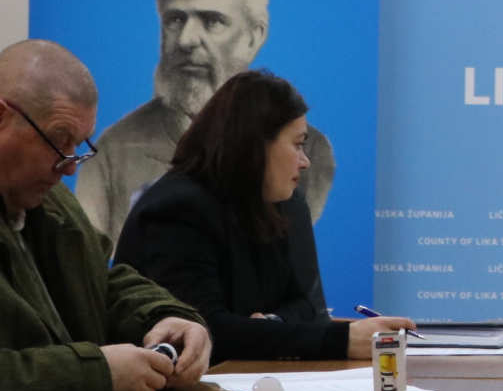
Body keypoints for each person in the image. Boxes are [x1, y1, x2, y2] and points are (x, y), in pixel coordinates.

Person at [0, 41, 210, 391]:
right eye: (59, 142)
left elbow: (101, 281)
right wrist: (98, 376)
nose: (70, 168)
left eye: (79, 146)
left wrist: (167, 317)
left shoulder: (39, 193)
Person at [115, 71, 412, 361]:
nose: (305, 161)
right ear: (255, 145)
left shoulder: (262, 203)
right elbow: (203, 330)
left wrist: (269, 324)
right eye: (297, 144)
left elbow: (302, 303)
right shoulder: (179, 209)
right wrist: (341, 340)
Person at [76, 0, 336, 255]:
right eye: (175, 20)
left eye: (212, 21)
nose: (186, 40)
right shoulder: (112, 151)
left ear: (253, 37)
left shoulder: (310, 153)